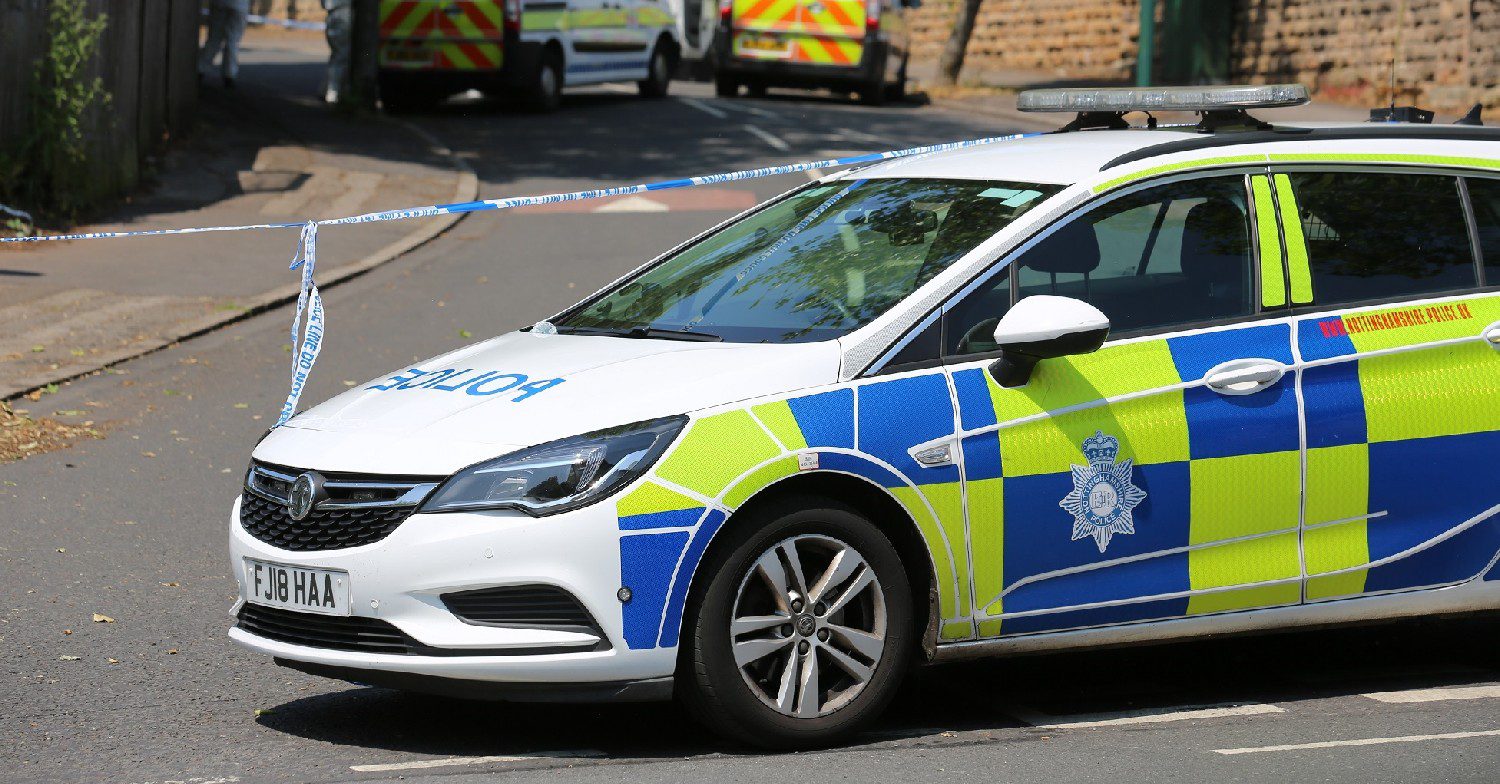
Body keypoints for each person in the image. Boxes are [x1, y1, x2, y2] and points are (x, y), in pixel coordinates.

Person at [198, 0, 251, 88]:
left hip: (220, 3)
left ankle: (200, 68)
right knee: (232, 41)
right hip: (240, 5)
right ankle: (229, 74)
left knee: (214, 39)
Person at [323, 0, 354, 103]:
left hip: (333, 14)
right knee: (342, 56)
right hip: (344, 14)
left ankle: (328, 89)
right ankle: (334, 92)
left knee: (337, 55)